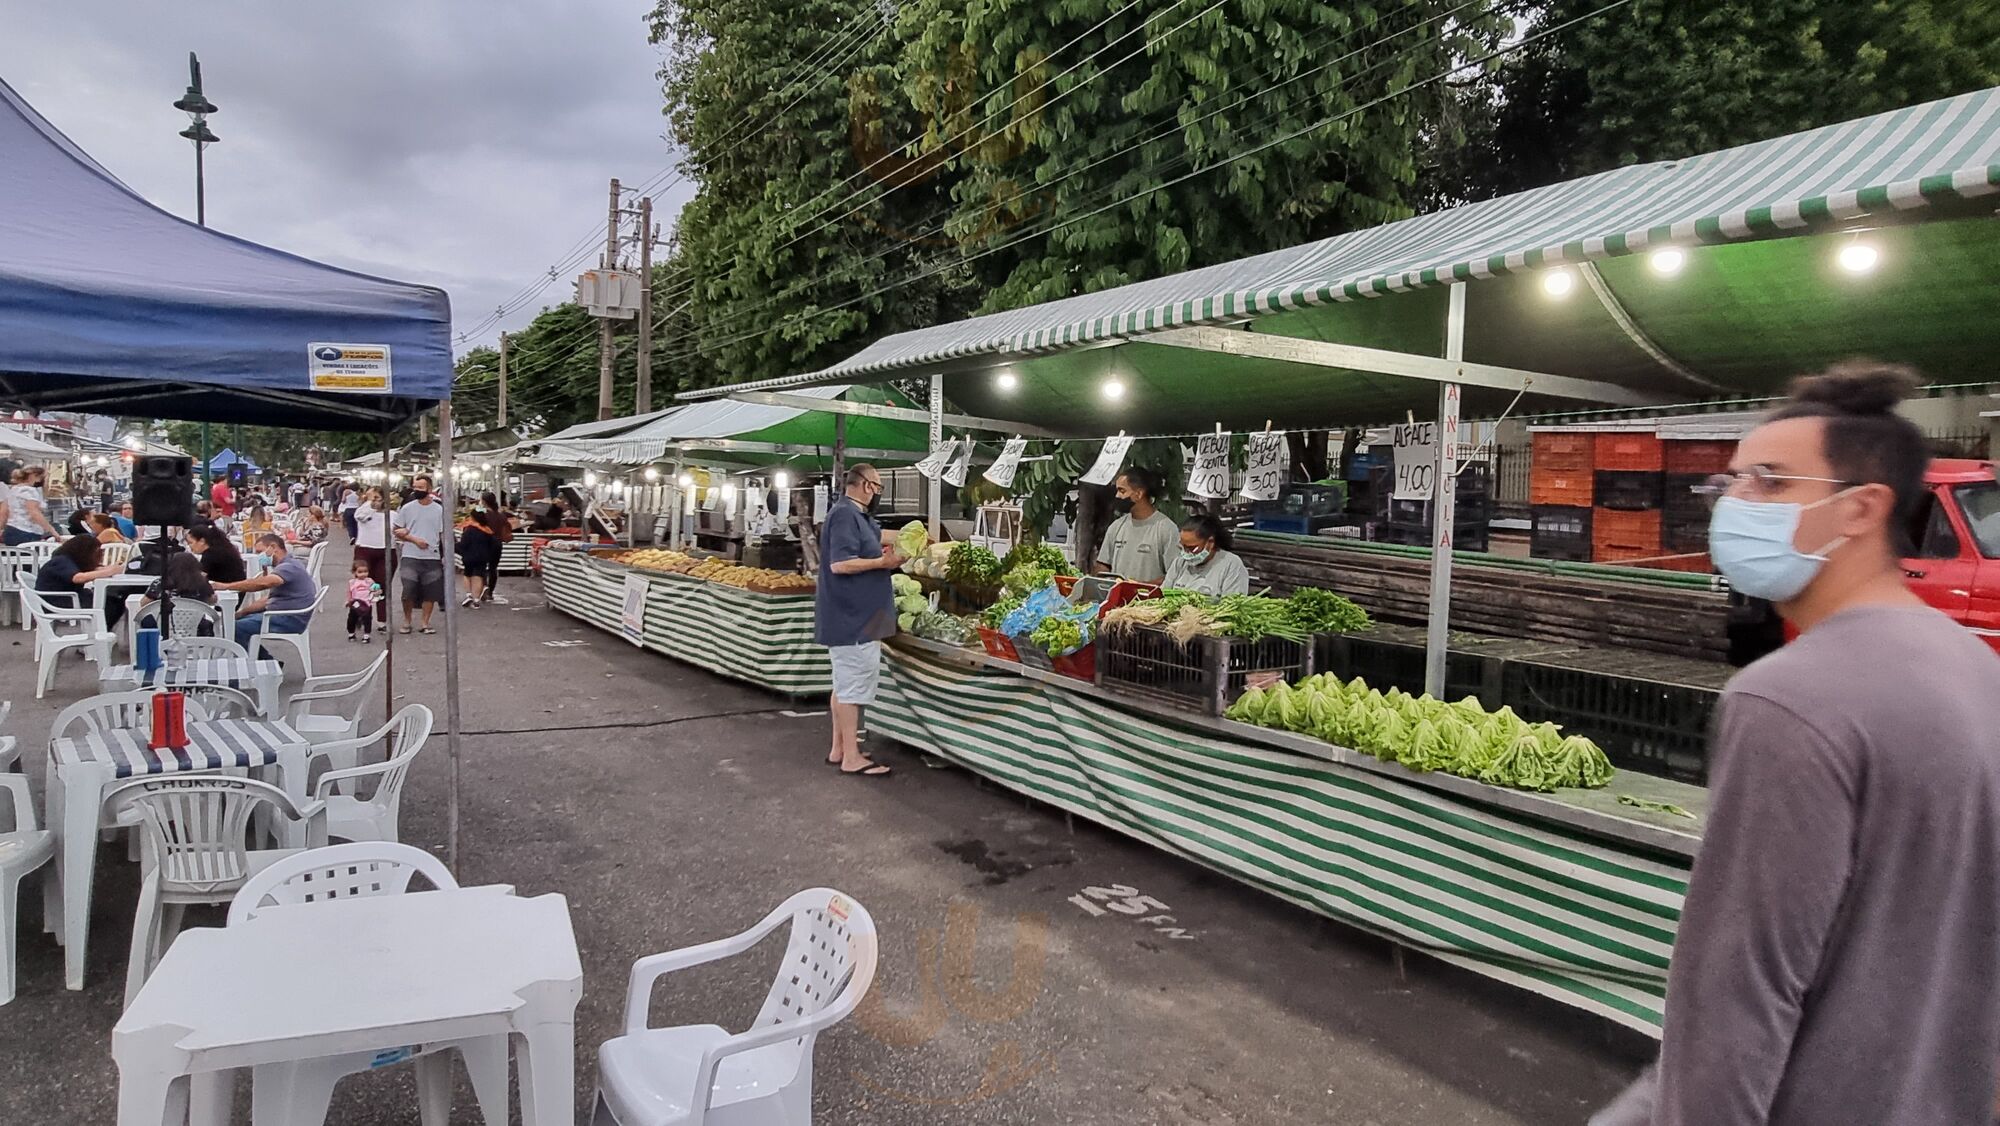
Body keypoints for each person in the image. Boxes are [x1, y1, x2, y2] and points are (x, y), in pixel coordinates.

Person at [1591, 363, 2000, 1126]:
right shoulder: (1975, 667)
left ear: (1860, 509)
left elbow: (1738, 996)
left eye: (1770, 484)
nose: (1735, 505)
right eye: (1734, 483)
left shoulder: (1790, 697)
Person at [815, 463, 904, 778]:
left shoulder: (855, 516)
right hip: (853, 619)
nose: (878, 493)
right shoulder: (843, 515)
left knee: (843, 684)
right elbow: (841, 564)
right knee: (852, 686)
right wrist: (883, 562)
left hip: (855, 618)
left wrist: (920, 537)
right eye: (878, 487)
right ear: (867, 485)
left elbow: (879, 535)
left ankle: (840, 747)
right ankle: (852, 757)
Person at [220, 533, 317, 650]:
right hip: (286, 615)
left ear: (273, 547)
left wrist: (226, 586)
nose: (258, 556)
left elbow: (264, 583)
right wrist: (241, 613)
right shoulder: (289, 564)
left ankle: (253, 662)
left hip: (288, 619)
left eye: (260, 551)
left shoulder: (288, 567)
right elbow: (267, 600)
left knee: (235, 628)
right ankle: (263, 660)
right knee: (235, 623)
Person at [1092, 466, 1177, 584]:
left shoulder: (1166, 529)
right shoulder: (1116, 526)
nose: (1117, 496)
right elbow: (1103, 564)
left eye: (1122, 491)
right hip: (1117, 599)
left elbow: (1174, 575)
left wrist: (1137, 588)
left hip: (1150, 601)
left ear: (1139, 494)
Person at [34, 532, 129, 628]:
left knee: (113, 599)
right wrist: (109, 572)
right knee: (110, 603)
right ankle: (100, 631)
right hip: (57, 601)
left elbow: (92, 570)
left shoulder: (67, 561)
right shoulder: (61, 561)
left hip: (64, 597)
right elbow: (78, 578)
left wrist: (112, 568)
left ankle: (102, 630)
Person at [392, 474, 447, 634]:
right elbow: (396, 530)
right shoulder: (408, 508)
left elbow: (443, 533)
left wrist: (445, 555)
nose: (417, 490)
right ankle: (407, 620)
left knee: (430, 592)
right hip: (410, 555)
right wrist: (413, 539)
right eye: (415, 487)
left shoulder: (438, 510)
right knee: (408, 590)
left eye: (420, 488)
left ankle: (425, 622)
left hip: (432, 556)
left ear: (429, 489)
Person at [1161, 514, 1250, 596]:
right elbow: (1163, 594)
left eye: (1192, 548)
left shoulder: (1231, 565)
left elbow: (1232, 604)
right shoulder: (1179, 562)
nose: (1186, 553)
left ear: (1210, 543)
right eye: (1182, 547)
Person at [141, 551, 218, 637]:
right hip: (194, 626)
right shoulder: (202, 583)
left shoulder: (160, 583)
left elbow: (144, 603)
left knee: (146, 621)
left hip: (163, 626)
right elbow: (212, 601)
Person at [352, 486, 390, 630]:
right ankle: (360, 614)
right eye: (370, 497)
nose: (374, 501)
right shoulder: (364, 511)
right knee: (362, 585)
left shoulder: (392, 514)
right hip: (365, 549)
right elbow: (360, 515)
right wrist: (370, 502)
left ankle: (382, 620)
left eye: (376, 498)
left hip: (385, 550)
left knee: (381, 586)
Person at [5, 466, 60, 543]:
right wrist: (52, 531)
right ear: (35, 476)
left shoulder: (13, 489)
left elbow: (5, 511)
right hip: (26, 532)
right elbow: (34, 513)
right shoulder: (30, 491)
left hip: (11, 529)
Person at [455, 506, 496, 607]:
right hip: (482, 557)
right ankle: (476, 599)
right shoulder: (487, 530)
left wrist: (456, 548)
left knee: (467, 575)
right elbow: (492, 545)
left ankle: (469, 595)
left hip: (469, 556)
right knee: (478, 576)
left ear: (473, 517)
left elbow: (463, 544)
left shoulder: (469, 529)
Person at [183, 522, 248, 585]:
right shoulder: (222, 548)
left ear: (202, 541)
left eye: (190, 543)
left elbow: (199, 578)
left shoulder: (210, 555)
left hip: (228, 590)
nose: (189, 546)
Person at [478, 491, 512, 603]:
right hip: (497, 543)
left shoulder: (481, 513)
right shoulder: (501, 515)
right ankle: (490, 593)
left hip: (483, 542)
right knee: (493, 568)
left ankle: (484, 588)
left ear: (484, 501)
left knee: (481, 567)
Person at [344, 558, 380, 643]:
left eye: (365, 571)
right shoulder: (352, 582)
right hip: (355, 603)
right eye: (360, 572)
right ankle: (351, 633)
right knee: (352, 619)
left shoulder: (369, 581)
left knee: (367, 619)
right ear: (354, 572)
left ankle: (366, 635)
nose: (363, 574)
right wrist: (348, 601)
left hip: (366, 604)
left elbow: (376, 589)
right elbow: (349, 592)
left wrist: (376, 592)